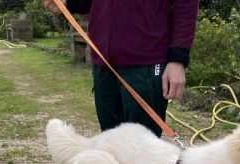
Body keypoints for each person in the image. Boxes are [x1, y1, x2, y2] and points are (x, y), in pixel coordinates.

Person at [43, 0, 199, 136]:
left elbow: (185, 4)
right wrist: (68, 2)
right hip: (104, 62)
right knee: (111, 143)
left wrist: (178, 59)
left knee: (142, 150)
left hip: (146, 63)